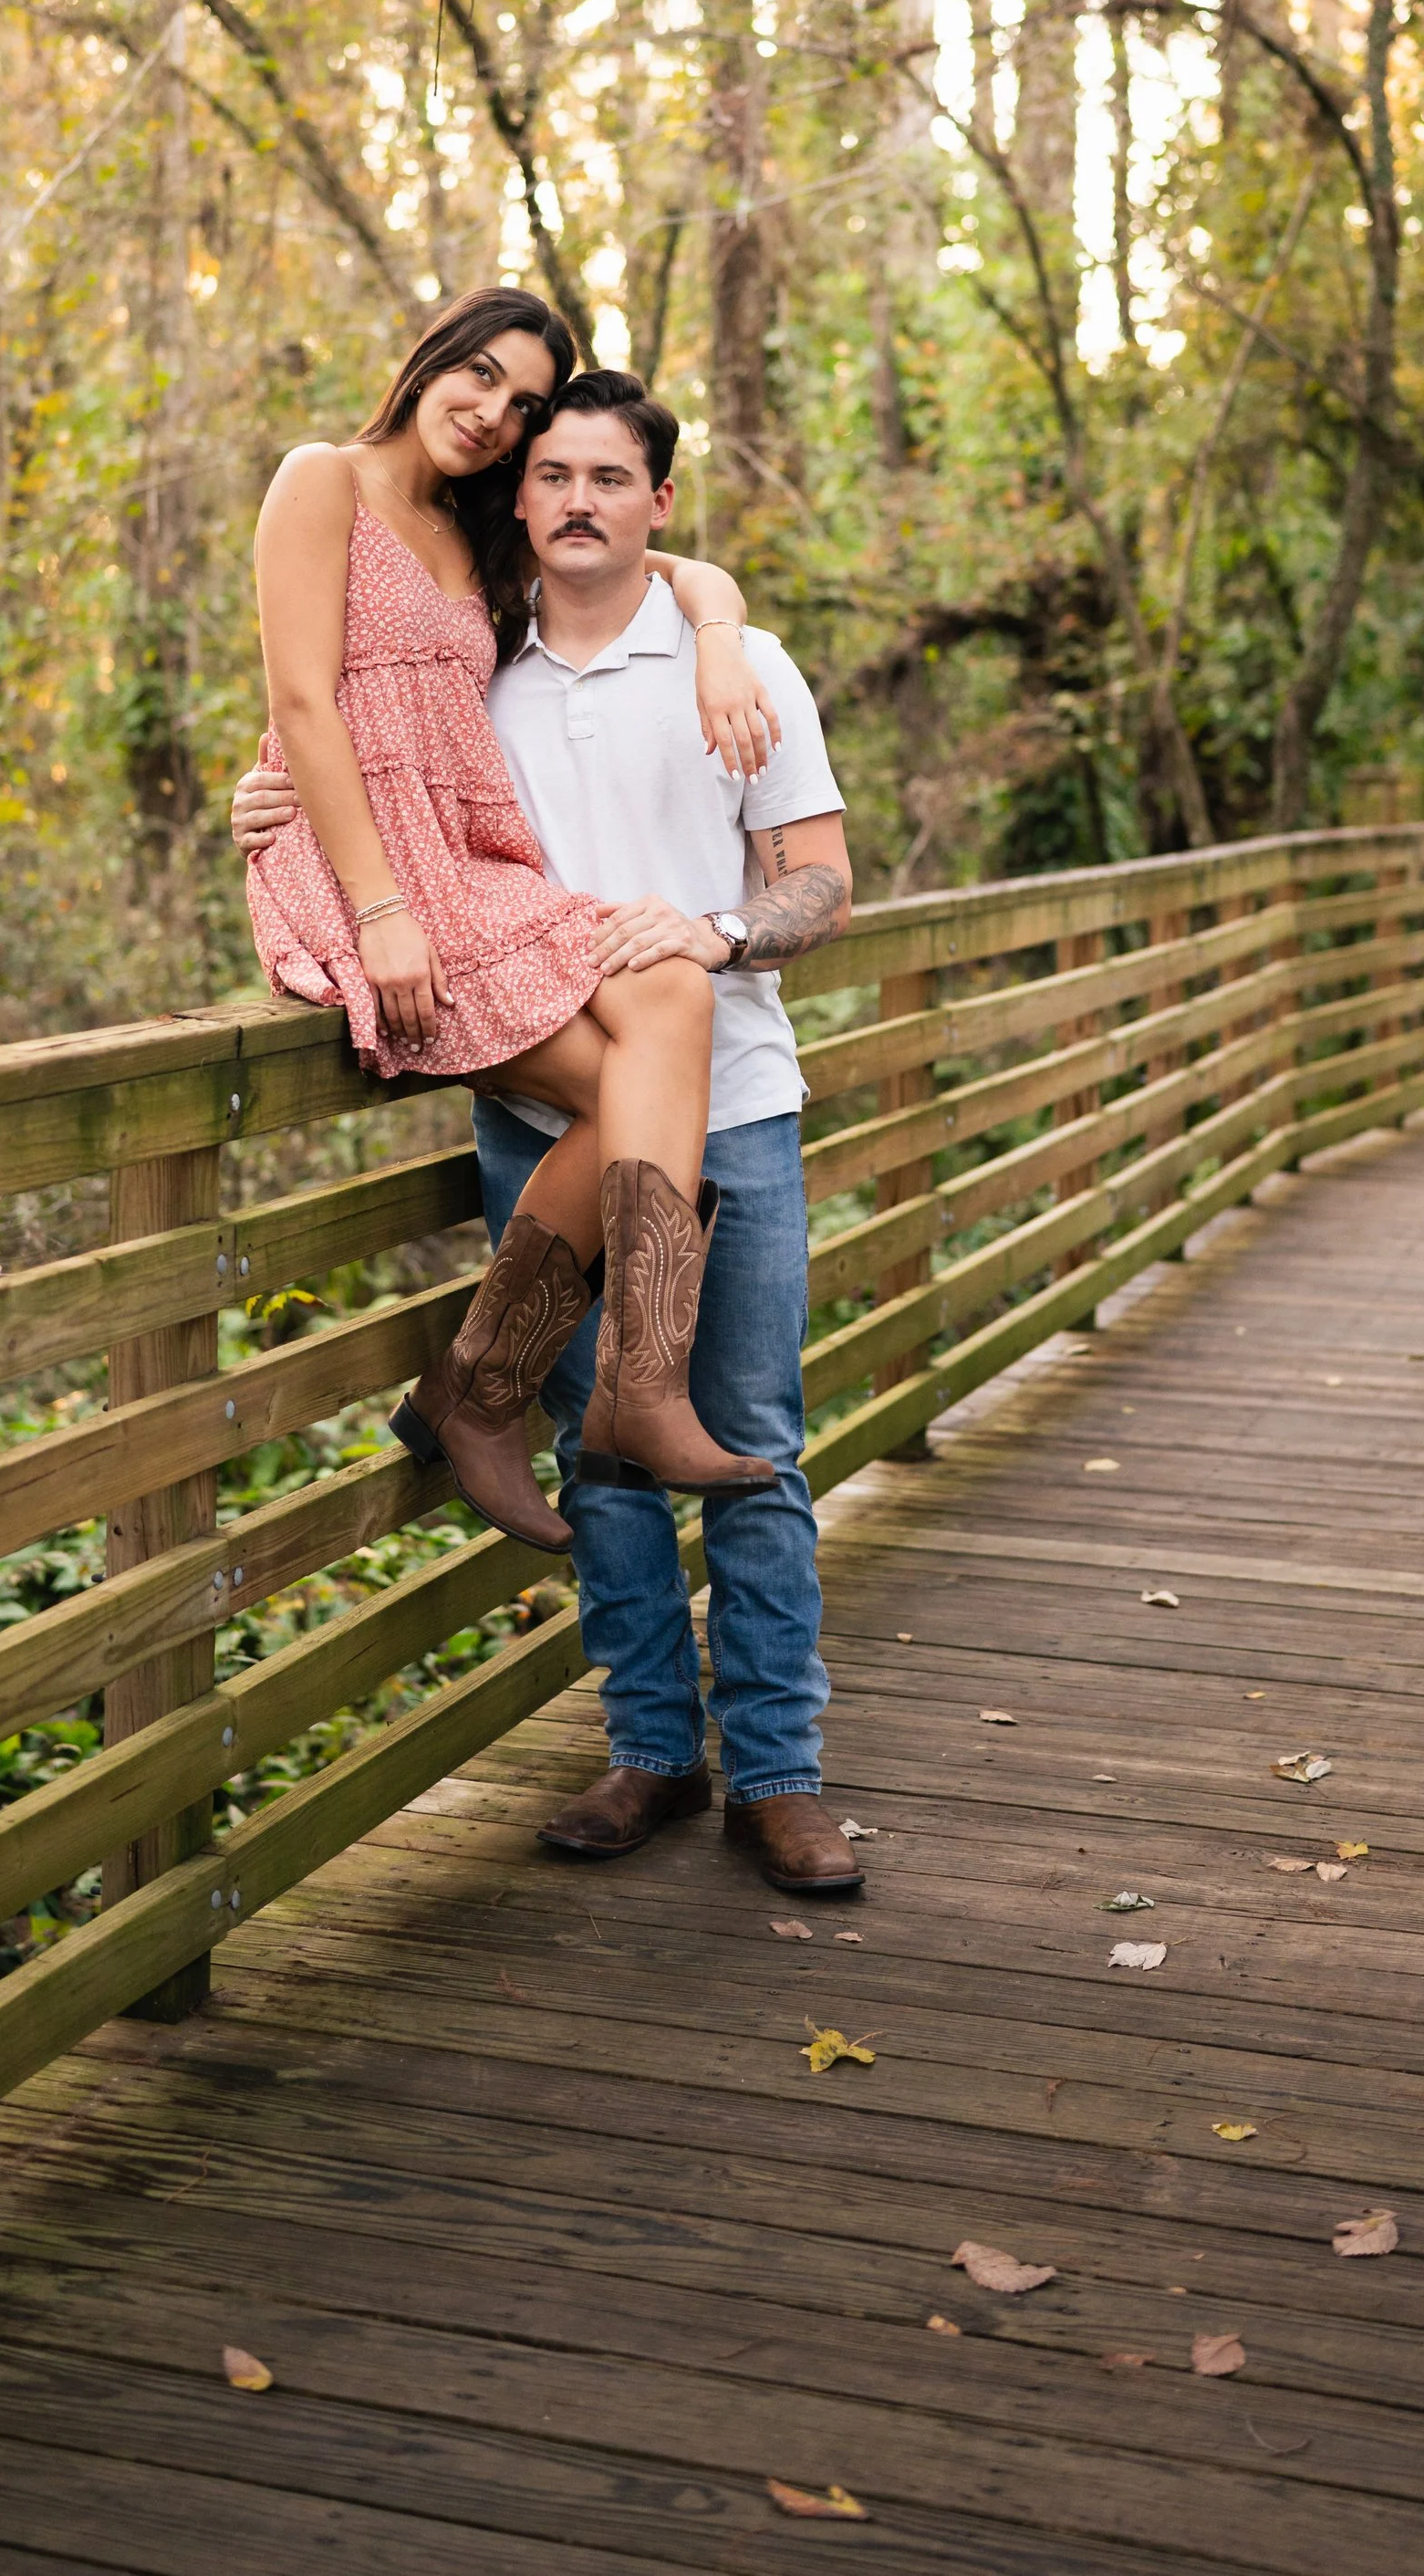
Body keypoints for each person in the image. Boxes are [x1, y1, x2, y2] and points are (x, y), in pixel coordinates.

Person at [234, 368, 863, 1900]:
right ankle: (653, 1751)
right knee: (607, 1465)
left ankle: (778, 1777)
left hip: (742, 1107)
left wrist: (715, 933)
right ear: (520, 497)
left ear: (659, 501)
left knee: (756, 1453)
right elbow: (349, 736)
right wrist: (272, 806)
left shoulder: (742, 661)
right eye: (553, 471)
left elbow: (823, 884)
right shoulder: (479, 663)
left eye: (611, 476)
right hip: (542, 1104)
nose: (578, 496)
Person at [246, 289, 788, 1565]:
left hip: (468, 854)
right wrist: (379, 907)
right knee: (635, 1096)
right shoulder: (320, 479)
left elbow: (666, 555)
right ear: (428, 355)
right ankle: (489, 1390)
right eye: (477, 375)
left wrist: (718, 636)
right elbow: (300, 701)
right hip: (365, 864)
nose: (490, 412)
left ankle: (629, 1390)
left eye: (521, 403)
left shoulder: (482, 522)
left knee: (670, 992)